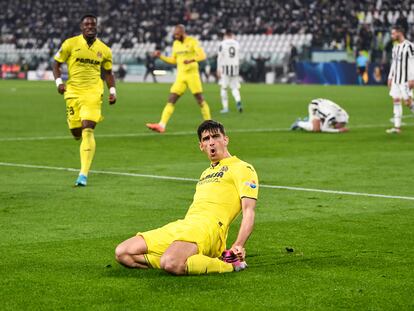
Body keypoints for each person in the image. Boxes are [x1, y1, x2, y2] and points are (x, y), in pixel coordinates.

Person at [115, 120, 259, 275]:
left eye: (215, 137)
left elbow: (248, 211)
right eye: (206, 139)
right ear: (201, 146)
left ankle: (229, 264)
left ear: (225, 140)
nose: (211, 143)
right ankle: (179, 260)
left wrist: (238, 244)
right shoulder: (205, 173)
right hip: (186, 224)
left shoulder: (243, 168)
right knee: (123, 253)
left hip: (209, 228)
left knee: (171, 262)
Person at [53, 14, 116, 186]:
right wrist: (59, 82)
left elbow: (108, 72)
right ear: (81, 27)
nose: (90, 27)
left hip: (94, 93)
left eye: (93, 24)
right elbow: (56, 63)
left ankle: (83, 174)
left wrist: (112, 90)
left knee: (88, 128)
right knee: (76, 131)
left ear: (97, 27)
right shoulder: (70, 44)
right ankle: (77, 132)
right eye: (86, 24)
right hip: (73, 92)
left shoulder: (104, 49)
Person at [146, 25, 211, 133]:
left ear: (182, 33)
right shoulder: (176, 44)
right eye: (174, 35)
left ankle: (210, 125)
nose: (176, 37)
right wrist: (160, 56)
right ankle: (162, 125)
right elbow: (173, 60)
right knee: (171, 98)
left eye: (177, 34)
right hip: (181, 76)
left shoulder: (192, 41)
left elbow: (202, 56)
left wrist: (191, 60)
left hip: (192, 75)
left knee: (200, 100)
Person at [386, 25, 414, 134]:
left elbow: (413, 62)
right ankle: (397, 128)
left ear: (399, 33)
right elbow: (394, 63)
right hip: (396, 80)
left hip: (406, 80)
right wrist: (390, 77)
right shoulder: (396, 47)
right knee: (396, 101)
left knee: (408, 102)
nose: (392, 36)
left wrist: (412, 78)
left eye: (393, 33)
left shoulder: (409, 46)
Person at [217, 29, 243, 113]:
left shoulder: (222, 44)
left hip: (226, 68)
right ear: (232, 34)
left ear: (225, 35)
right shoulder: (237, 43)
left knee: (224, 88)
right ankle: (238, 101)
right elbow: (239, 56)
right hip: (235, 68)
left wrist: (218, 68)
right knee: (234, 87)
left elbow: (220, 57)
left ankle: (225, 108)